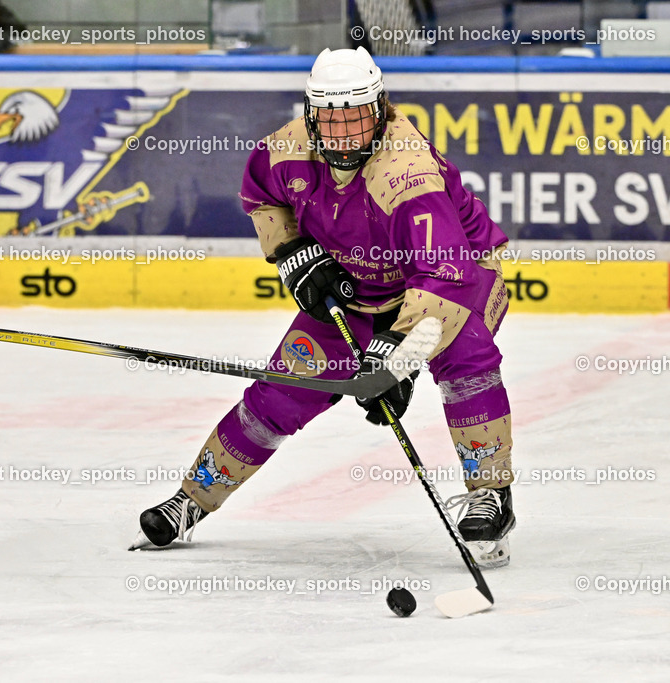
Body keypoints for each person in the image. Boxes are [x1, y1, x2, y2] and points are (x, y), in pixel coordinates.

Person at [131, 47, 517, 568]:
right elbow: (262, 197)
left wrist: (394, 363)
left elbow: (442, 278)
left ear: (379, 111)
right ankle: (192, 500)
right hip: (360, 289)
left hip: (460, 276)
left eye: (356, 119)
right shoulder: (284, 150)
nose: (343, 136)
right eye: (330, 121)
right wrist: (294, 253)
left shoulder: (408, 177)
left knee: (465, 358)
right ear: (311, 114)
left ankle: (491, 494)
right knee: (280, 393)